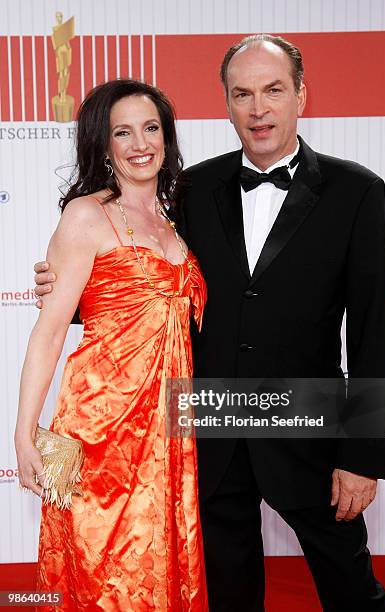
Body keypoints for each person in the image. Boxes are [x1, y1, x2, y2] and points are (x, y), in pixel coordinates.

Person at [34, 35, 385, 612]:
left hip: (307, 419)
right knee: (227, 588)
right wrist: (65, 291)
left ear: (301, 94)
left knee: (350, 584)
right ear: (225, 102)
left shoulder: (356, 191)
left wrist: (362, 454)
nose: (258, 109)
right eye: (242, 94)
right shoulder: (192, 188)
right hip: (211, 423)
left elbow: (374, 330)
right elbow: (151, 280)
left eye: (273, 91)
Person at [16, 79, 208, 611]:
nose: (139, 143)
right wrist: (23, 433)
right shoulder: (86, 215)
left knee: (157, 569)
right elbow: (50, 330)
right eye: (122, 132)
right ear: (103, 145)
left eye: (150, 128)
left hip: (169, 433)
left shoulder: (175, 223)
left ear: (167, 139)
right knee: (104, 576)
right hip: (102, 433)